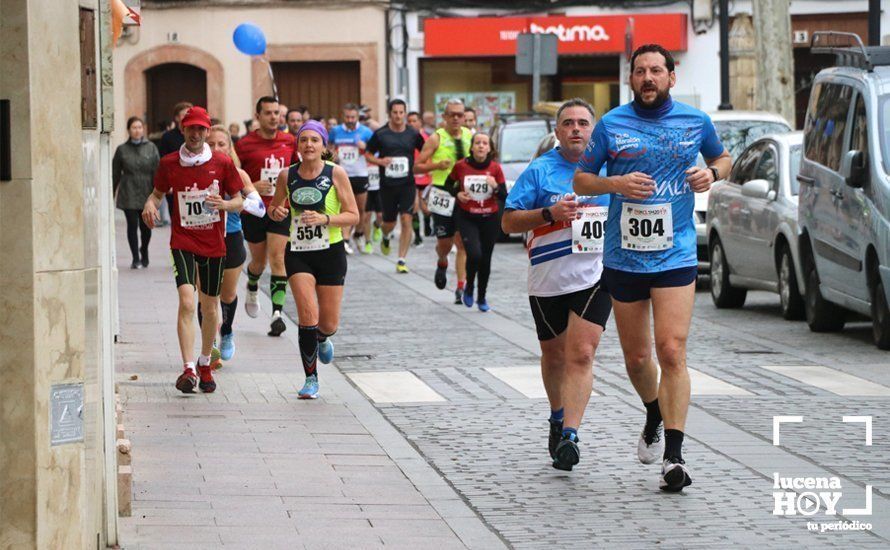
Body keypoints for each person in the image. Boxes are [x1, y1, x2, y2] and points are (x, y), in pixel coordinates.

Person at [573, 44, 731, 492]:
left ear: (671, 77)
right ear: (631, 78)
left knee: (672, 350)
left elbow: (723, 159)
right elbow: (581, 179)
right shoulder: (611, 124)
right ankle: (653, 410)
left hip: (676, 252)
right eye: (639, 71)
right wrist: (615, 183)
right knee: (638, 358)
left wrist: (712, 176)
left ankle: (674, 457)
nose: (647, 78)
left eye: (655, 71)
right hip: (624, 256)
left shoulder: (694, 121)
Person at [502, 98, 612, 472]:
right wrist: (549, 213)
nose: (576, 129)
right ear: (558, 131)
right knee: (554, 356)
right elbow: (509, 222)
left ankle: (570, 435)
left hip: (595, 276)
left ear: (593, 131)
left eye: (583, 123)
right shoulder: (539, 170)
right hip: (548, 278)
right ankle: (556, 414)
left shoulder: (608, 171)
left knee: (581, 353)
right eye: (568, 123)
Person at [141, 106, 244, 394]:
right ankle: (187, 368)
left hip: (213, 243)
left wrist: (226, 205)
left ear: (207, 131)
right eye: (191, 128)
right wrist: (150, 204)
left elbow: (240, 200)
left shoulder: (222, 163)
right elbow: (157, 194)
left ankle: (204, 362)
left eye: (201, 128)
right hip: (182, 241)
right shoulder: (169, 163)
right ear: (182, 130)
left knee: (210, 307)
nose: (196, 133)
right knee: (188, 302)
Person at [268, 120, 359, 399]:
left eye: (314, 140)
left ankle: (322, 338)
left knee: (328, 323)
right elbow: (275, 207)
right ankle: (310, 380)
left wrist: (326, 218)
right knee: (308, 314)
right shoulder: (287, 175)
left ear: (323, 146)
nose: (308, 145)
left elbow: (353, 215)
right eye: (303, 140)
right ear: (297, 145)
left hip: (330, 252)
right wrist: (277, 213)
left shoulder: (336, 174)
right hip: (299, 253)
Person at [202, 125, 266, 361]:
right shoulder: (195, 171)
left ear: (229, 147)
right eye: (211, 144)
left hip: (231, 238)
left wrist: (233, 204)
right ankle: (208, 347)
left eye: (221, 144)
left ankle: (226, 332)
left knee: (227, 295)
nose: (216, 148)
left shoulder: (239, 175)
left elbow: (260, 209)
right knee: (206, 298)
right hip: (203, 238)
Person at [235, 96, 298, 337]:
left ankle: (277, 314)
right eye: (269, 113)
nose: (274, 117)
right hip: (254, 210)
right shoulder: (244, 144)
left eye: (276, 113)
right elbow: (233, 177)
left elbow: (297, 173)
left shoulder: (289, 141)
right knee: (259, 262)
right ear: (258, 116)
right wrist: (250, 187)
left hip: (280, 208)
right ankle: (252, 285)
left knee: (278, 258)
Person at [416, 98, 472, 304]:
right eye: (452, 114)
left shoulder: (470, 136)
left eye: (460, 114)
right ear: (445, 117)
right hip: (442, 193)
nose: (456, 118)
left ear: (464, 117)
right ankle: (441, 261)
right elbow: (417, 167)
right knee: (445, 244)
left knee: (462, 242)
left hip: (464, 193)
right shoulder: (435, 138)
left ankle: (461, 287)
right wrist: (437, 165)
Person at [445, 132, 505, 311]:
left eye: (484, 143)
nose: (480, 146)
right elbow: (448, 184)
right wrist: (457, 194)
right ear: (472, 147)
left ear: (489, 148)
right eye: (477, 143)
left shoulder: (495, 168)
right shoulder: (461, 166)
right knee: (474, 254)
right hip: (467, 217)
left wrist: (494, 186)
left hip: (490, 218)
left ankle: (482, 297)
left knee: (486, 259)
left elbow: (504, 195)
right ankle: (469, 286)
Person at [365, 99, 425, 273]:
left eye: (401, 112)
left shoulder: (413, 133)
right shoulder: (381, 134)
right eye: (395, 112)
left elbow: (426, 150)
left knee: (407, 219)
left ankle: (401, 259)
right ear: (389, 114)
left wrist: (420, 165)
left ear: (405, 113)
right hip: (387, 185)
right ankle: (384, 235)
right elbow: (368, 154)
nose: (398, 116)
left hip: (407, 184)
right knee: (388, 223)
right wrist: (380, 161)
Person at [114, 116, 160, 268]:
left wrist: (158, 193)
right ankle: (135, 257)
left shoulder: (151, 147)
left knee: (146, 226)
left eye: (139, 127)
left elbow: (157, 170)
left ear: (143, 129)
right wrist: (112, 192)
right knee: (132, 225)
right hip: (129, 191)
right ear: (128, 130)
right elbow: (115, 173)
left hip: (147, 191)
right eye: (134, 127)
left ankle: (144, 250)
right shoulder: (121, 149)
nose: (137, 130)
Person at [329, 103, 374, 254]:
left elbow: (374, 151)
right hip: (341, 175)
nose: (350, 119)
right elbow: (328, 147)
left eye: (353, 117)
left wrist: (365, 147)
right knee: (344, 208)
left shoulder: (366, 132)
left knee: (361, 210)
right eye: (347, 117)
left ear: (357, 117)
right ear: (343, 116)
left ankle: (359, 233)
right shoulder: (335, 131)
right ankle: (345, 240)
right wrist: (331, 155)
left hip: (360, 174)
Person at [407, 111, 432, 244]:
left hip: (426, 177)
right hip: (411, 177)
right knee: (414, 207)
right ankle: (417, 236)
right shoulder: (405, 137)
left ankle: (428, 222)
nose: (411, 124)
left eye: (414, 121)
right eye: (409, 121)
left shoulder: (427, 138)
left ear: (420, 122)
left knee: (426, 209)